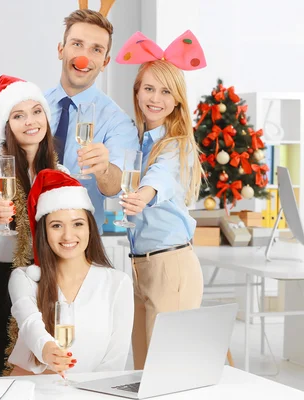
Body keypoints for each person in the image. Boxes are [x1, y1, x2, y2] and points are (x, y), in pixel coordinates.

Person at [0, 75, 69, 377]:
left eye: (36, 112)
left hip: (40, 278)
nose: (30, 121)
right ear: (5, 124)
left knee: (34, 376)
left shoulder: (59, 170)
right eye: (18, 115)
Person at [115, 30, 206, 369]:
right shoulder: (137, 140)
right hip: (142, 265)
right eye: (148, 88)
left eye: (166, 91)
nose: (155, 98)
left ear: (178, 99)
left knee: (168, 372)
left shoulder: (177, 143)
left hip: (171, 266)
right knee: (143, 370)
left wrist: (143, 195)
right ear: (137, 91)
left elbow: (161, 177)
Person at [8, 169, 133, 375]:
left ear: (90, 228)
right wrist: (47, 349)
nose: (68, 235)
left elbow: (114, 361)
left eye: (77, 224)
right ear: (44, 232)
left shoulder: (117, 283)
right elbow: (29, 322)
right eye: (56, 225)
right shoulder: (25, 278)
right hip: (29, 389)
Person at [45, 9, 140, 231]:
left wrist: (104, 169)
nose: (84, 57)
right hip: (23, 240)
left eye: (96, 49)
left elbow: (115, 186)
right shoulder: (34, 105)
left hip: (78, 243)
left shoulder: (118, 121)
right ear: (61, 50)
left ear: (105, 62)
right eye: (77, 44)